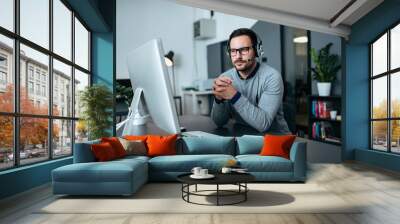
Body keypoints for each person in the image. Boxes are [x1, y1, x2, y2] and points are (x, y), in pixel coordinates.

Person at [211, 28, 291, 134]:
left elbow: (263, 124)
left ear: (257, 51)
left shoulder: (271, 77)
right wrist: (218, 100)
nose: (238, 56)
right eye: (233, 51)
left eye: (244, 50)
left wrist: (234, 96)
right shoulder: (226, 77)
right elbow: (219, 122)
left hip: (275, 141)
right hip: (244, 139)